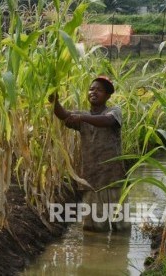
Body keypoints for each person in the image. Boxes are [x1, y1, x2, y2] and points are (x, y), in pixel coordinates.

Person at [49, 76, 130, 232]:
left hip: (114, 179)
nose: (94, 92)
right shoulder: (82, 116)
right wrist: (55, 102)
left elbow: (107, 121)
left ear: (107, 96)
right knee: (93, 229)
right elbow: (64, 115)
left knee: (121, 228)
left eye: (99, 90)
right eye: (92, 89)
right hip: (91, 180)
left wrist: (82, 117)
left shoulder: (114, 111)